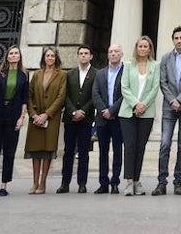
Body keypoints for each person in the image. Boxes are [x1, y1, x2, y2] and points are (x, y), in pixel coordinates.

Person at [155, 26, 181, 195]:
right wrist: (173, 100)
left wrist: (180, 99)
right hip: (169, 106)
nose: (179, 41)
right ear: (173, 40)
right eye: (176, 38)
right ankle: (161, 182)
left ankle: (178, 182)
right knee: (165, 144)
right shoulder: (166, 58)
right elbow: (162, 82)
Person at [0, 44, 29, 196]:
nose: (14, 56)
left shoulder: (24, 76)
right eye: (11, 53)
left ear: (19, 57)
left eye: (16, 53)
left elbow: (24, 99)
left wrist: (21, 118)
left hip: (13, 113)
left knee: (9, 151)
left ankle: (4, 186)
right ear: (7, 57)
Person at [120, 36, 159, 196]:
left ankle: (137, 180)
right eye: (140, 46)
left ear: (150, 49)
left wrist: (143, 105)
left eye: (146, 46)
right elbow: (125, 87)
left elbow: (155, 88)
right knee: (129, 146)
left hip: (147, 112)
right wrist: (136, 104)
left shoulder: (155, 66)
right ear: (136, 48)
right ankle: (129, 181)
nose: (143, 49)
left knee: (140, 147)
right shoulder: (128, 65)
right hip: (128, 111)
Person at [25, 46, 65, 194]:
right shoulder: (36, 74)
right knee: (36, 150)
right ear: (44, 58)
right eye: (47, 56)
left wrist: (46, 114)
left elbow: (61, 97)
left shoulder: (61, 75)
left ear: (56, 59)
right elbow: (28, 95)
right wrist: (34, 114)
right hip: (35, 117)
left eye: (52, 56)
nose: (50, 58)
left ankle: (43, 182)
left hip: (51, 118)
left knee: (47, 150)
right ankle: (34, 182)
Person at [59, 44, 95, 193]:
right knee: (68, 151)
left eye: (86, 53)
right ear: (78, 56)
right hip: (70, 119)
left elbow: (95, 95)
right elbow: (65, 95)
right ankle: (65, 183)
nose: (83, 56)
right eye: (81, 53)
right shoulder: (70, 74)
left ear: (91, 56)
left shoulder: (96, 74)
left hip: (86, 119)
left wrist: (83, 112)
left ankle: (82, 183)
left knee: (84, 152)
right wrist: (73, 112)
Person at [92, 44, 125, 193]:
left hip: (118, 118)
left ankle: (115, 182)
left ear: (121, 54)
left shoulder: (126, 72)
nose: (113, 54)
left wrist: (112, 111)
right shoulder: (100, 73)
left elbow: (125, 94)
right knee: (103, 152)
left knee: (118, 151)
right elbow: (95, 93)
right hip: (102, 119)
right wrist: (103, 110)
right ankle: (103, 183)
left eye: (116, 51)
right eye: (110, 51)